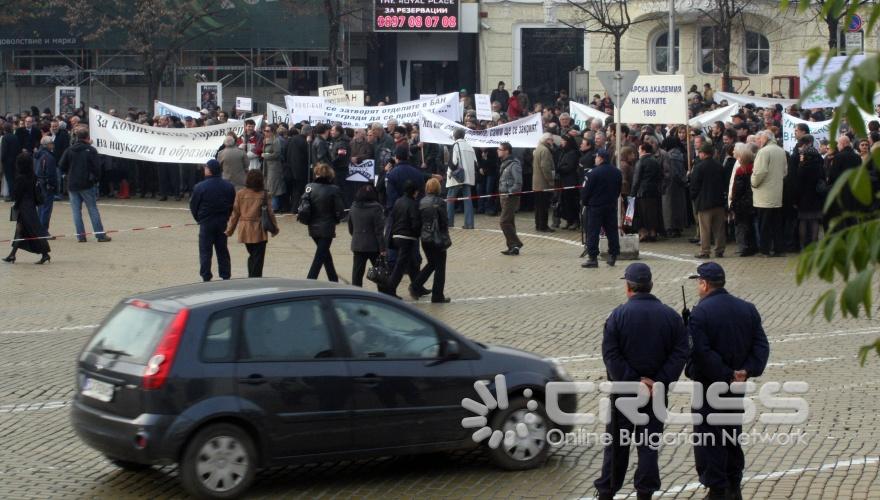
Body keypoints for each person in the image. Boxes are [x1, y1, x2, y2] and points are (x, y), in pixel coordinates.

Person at [594, 263, 689, 500]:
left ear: (628, 288)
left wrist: (633, 381)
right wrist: (658, 381)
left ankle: (607, 491)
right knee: (649, 446)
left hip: (623, 393)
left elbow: (611, 356)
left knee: (616, 446)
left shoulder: (616, 316)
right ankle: (644, 492)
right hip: (656, 393)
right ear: (651, 286)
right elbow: (680, 353)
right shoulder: (671, 317)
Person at [686, 262, 769, 500]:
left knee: (708, 437)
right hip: (736, 387)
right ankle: (734, 483)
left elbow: (700, 352)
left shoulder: (700, 313)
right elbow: (761, 346)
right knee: (731, 433)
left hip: (709, 386)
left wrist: (726, 374)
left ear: (704, 284)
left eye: (698, 283)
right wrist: (746, 371)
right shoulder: (747, 308)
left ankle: (717, 489)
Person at [58, 126, 111, 243]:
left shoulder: (70, 150)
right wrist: (95, 179)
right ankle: (100, 235)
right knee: (92, 209)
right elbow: (97, 168)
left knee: (76, 211)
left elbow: (61, 165)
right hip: (87, 184)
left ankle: (81, 236)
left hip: (72, 184)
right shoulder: (91, 150)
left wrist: (68, 174)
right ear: (87, 137)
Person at [225, 170, 278, 278]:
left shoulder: (240, 193)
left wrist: (229, 230)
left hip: (245, 229)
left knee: (252, 256)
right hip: (259, 230)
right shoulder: (264, 194)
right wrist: (275, 229)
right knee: (258, 258)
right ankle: (255, 279)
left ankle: (251, 277)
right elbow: (270, 213)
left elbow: (235, 214)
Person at [190, 159, 235, 282]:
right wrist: (227, 216)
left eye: (206, 167)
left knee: (205, 251)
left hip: (206, 223)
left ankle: (206, 276)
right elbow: (231, 204)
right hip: (222, 222)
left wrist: (199, 218)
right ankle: (225, 275)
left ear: (209, 170)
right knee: (222, 250)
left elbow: (194, 206)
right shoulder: (228, 186)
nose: (204, 169)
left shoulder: (199, 187)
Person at [3, 153, 51, 264]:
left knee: (33, 231)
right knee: (20, 230)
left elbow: (17, 194)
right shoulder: (33, 176)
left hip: (24, 207)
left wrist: (15, 205)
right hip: (30, 205)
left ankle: (45, 254)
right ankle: (12, 255)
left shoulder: (20, 178)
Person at [411, 178, 451, 303]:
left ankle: (416, 285)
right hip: (437, 237)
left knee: (431, 263)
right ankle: (437, 295)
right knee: (440, 267)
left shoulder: (421, 202)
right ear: (438, 188)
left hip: (425, 237)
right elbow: (444, 221)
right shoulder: (440, 202)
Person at [304, 163, 345, 282]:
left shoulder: (309, 187)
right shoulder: (334, 190)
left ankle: (333, 280)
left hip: (312, 226)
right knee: (320, 257)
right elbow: (340, 210)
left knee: (325, 255)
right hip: (327, 227)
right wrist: (336, 219)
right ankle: (310, 281)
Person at [581, 149, 622, 268]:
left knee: (593, 232)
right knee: (612, 231)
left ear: (601, 158)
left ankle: (593, 258)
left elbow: (586, 191)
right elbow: (618, 189)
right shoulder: (617, 172)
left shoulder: (592, 173)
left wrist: (585, 202)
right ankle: (613, 255)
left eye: (596, 157)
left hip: (595, 206)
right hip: (610, 205)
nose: (595, 159)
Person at [751, 130, 787, 256]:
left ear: (766, 138)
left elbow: (760, 172)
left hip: (764, 195)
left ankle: (764, 250)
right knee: (776, 224)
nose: (758, 142)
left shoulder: (764, 152)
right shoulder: (781, 150)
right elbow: (784, 172)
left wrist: (753, 182)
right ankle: (779, 249)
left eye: (759, 139)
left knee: (764, 225)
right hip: (777, 194)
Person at [385, 181, 422, 299]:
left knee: (412, 263)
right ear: (414, 192)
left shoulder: (398, 201)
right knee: (400, 267)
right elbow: (415, 222)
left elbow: (393, 218)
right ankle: (390, 289)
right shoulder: (413, 204)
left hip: (396, 236)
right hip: (407, 238)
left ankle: (417, 286)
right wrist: (418, 233)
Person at [690, 143, 727, 259]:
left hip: (704, 203)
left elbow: (694, 186)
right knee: (719, 228)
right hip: (718, 202)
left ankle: (705, 251)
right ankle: (720, 249)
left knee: (705, 228)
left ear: (703, 153)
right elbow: (724, 183)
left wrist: (694, 197)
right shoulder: (719, 166)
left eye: (700, 152)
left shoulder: (699, 167)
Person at [348, 184, 386, 288]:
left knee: (357, 274)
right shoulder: (377, 208)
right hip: (374, 246)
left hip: (358, 244)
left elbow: (351, 228)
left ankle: (356, 295)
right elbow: (379, 230)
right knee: (380, 273)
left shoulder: (353, 206)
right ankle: (384, 295)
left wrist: (357, 236)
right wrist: (382, 248)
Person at [795, 141, 826, 247]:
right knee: (814, 221)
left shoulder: (802, 168)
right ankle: (814, 244)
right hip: (816, 198)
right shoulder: (820, 167)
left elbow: (798, 186)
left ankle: (803, 245)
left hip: (803, 199)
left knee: (803, 221)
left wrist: (796, 199)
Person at [730, 144, 758, 257]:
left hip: (742, 203)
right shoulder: (754, 168)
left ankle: (743, 247)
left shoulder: (741, 171)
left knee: (741, 226)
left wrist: (733, 200)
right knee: (751, 225)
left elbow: (738, 188)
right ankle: (753, 246)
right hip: (753, 201)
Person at [631, 142, 664, 242]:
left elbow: (636, 180)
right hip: (654, 191)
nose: (638, 151)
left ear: (643, 151)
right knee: (652, 213)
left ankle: (644, 233)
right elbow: (660, 176)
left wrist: (632, 193)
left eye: (639, 149)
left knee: (642, 214)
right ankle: (653, 232)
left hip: (642, 192)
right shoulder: (656, 161)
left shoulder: (641, 162)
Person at [446, 128, 477, 229]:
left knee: (450, 199)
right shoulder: (470, 146)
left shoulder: (455, 145)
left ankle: (449, 222)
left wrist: (450, 173)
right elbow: (476, 163)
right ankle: (469, 224)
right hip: (468, 177)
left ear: (455, 135)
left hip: (457, 177)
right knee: (467, 200)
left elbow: (453, 162)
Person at [497, 142, 524, 255]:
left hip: (510, 197)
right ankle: (512, 247)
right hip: (503, 196)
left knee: (504, 221)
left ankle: (516, 243)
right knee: (509, 221)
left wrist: (510, 192)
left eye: (500, 149)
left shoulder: (514, 165)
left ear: (506, 151)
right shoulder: (504, 163)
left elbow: (518, 182)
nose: (498, 151)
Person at [33, 136, 58, 235]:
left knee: (41, 208)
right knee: (46, 209)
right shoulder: (49, 157)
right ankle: (43, 231)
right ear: (47, 145)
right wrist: (53, 185)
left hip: (38, 183)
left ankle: (39, 229)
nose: (53, 144)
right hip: (46, 185)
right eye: (51, 143)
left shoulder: (37, 155)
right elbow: (51, 174)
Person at [532, 133, 556, 232]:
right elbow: (545, 167)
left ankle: (538, 224)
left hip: (537, 182)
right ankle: (543, 226)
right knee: (543, 206)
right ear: (547, 140)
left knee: (538, 206)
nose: (552, 142)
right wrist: (550, 180)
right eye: (551, 140)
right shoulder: (545, 150)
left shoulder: (538, 148)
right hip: (543, 183)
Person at [557, 135, 581, 230]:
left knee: (572, 202)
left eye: (563, 140)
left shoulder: (573, 153)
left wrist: (559, 169)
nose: (561, 142)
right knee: (565, 202)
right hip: (564, 181)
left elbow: (569, 167)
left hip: (571, 181)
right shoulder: (563, 152)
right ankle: (568, 220)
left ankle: (575, 221)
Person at [261, 125, 286, 212]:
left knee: (273, 188)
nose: (265, 132)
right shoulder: (265, 140)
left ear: (272, 132)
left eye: (268, 131)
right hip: (267, 166)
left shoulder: (276, 141)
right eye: (265, 130)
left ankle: (274, 208)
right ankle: (272, 207)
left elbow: (277, 154)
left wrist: (265, 155)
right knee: (269, 187)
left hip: (274, 167)